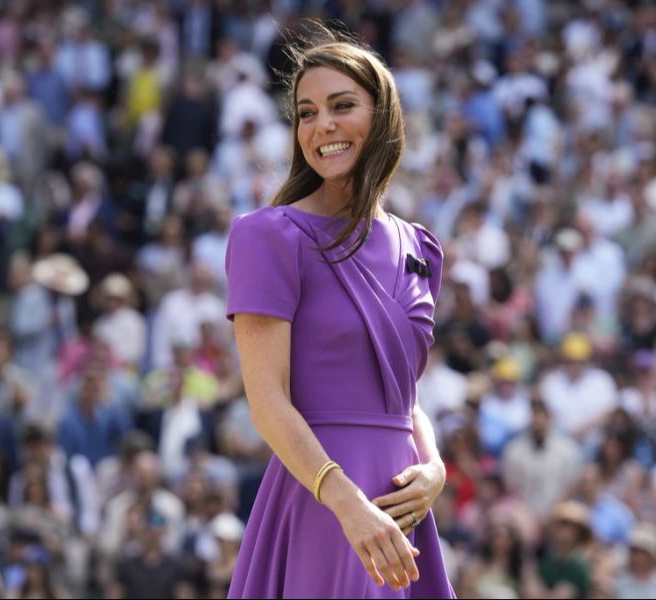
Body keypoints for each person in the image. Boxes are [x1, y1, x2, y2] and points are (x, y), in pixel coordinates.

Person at [224, 30, 454, 598]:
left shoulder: (419, 247)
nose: (321, 124)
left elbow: (404, 397)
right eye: (307, 112)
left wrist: (437, 468)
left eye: (342, 106)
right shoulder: (268, 236)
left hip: (402, 511)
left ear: (383, 118)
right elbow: (267, 400)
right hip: (321, 502)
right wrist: (345, 502)